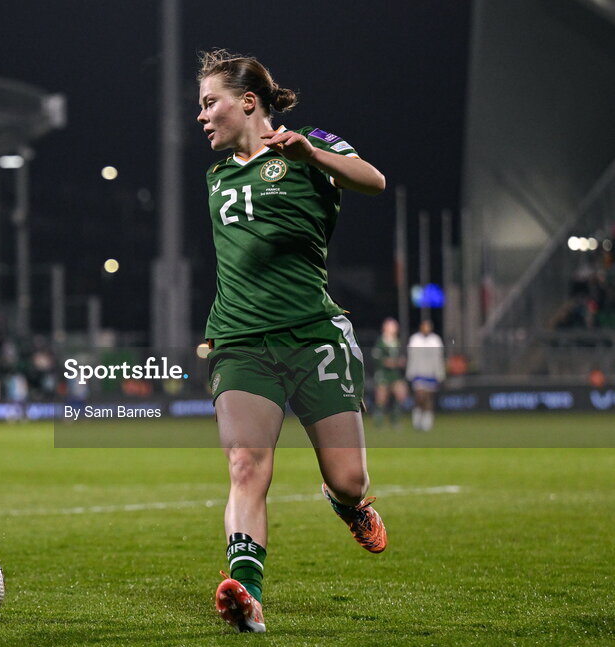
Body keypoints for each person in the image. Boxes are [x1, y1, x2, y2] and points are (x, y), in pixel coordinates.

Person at [196, 49, 387, 633]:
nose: (202, 116)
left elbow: (373, 182)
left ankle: (348, 505)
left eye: (210, 103)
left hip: (312, 336)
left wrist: (312, 153)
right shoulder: (218, 174)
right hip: (240, 339)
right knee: (246, 465)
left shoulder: (310, 147)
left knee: (347, 478)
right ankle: (246, 595)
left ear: (248, 102)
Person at [406, 319, 446, 431]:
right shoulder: (415, 339)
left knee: (428, 397)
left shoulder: (435, 340)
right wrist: (410, 373)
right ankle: (417, 420)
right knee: (420, 396)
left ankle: (427, 423)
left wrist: (440, 373)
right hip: (418, 372)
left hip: (431, 373)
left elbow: (439, 359)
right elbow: (412, 358)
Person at [370, 318, 409, 428]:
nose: (394, 329)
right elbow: (377, 358)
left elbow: (399, 357)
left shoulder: (397, 342)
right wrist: (389, 362)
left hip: (394, 374)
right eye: (392, 326)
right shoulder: (381, 341)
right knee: (381, 397)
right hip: (383, 373)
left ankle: (395, 419)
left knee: (401, 394)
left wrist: (400, 361)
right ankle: (378, 421)